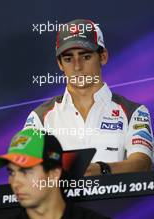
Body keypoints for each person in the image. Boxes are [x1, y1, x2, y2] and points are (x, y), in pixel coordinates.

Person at [24, 19, 153, 176]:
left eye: (85, 57)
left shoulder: (134, 112)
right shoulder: (39, 118)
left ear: (103, 57)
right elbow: (26, 171)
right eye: (68, 59)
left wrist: (101, 170)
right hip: (61, 201)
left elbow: (142, 163)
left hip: (115, 201)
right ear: (59, 64)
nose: (77, 66)